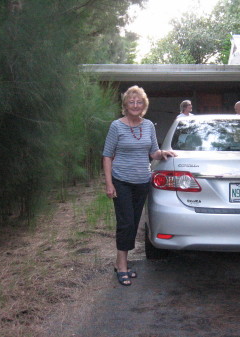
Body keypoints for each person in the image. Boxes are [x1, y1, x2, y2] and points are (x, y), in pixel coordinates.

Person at [102, 85, 176, 286]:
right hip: (122, 181)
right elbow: (107, 156)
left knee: (134, 223)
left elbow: (153, 152)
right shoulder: (116, 126)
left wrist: (163, 153)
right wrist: (109, 184)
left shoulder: (148, 125)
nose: (135, 105)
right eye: (131, 101)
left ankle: (122, 263)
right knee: (125, 223)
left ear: (144, 105)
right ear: (125, 105)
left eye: (139, 102)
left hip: (142, 181)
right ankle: (122, 265)